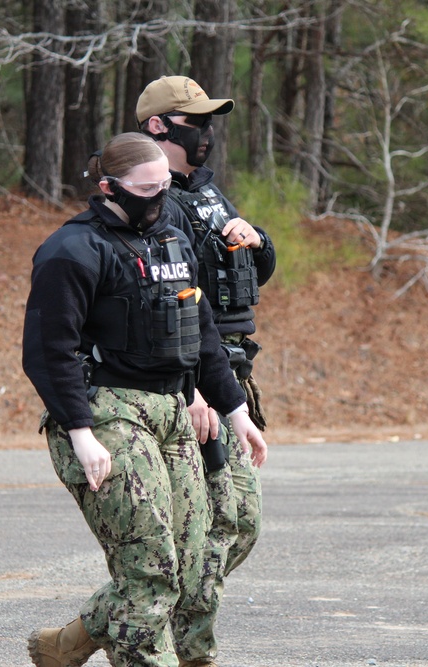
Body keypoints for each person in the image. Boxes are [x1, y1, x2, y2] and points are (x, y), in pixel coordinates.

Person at [21, 132, 267, 667]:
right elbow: (49, 351)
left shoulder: (171, 236)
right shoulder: (72, 250)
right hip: (109, 411)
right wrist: (81, 433)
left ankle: (81, 645)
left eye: (164, 188)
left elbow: (200, 334)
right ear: (109, 187)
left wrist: (237, 412)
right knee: (150, 567)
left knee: (197, 559)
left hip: (173, 411)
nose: (159, 199)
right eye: (146, 189)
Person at [137, 75, 277, 667]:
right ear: (158, 127)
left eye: (209, 121)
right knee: (212, 523)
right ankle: (179, 644)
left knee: (236, 522)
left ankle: (103, 624)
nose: (207, 133)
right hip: (191, 382)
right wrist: (189, 387)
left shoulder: (208, 194)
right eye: (196, 121)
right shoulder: (150, 200)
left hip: (229, 374)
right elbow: (164, 304)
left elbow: (254, 272)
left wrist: (257, 240)